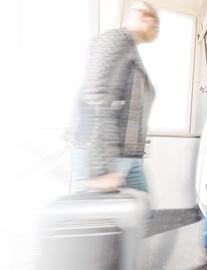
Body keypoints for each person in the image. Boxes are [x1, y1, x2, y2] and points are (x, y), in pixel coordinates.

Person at [66, 1, 159, 193]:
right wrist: (101, 169)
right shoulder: (115, 41)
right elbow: (95, 98)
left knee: (143, 210)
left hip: (126, 155)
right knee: (101, 218)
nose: (156, 27)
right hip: (101, 153)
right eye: (153, 20)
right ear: (138, 13)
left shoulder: (130, 49)